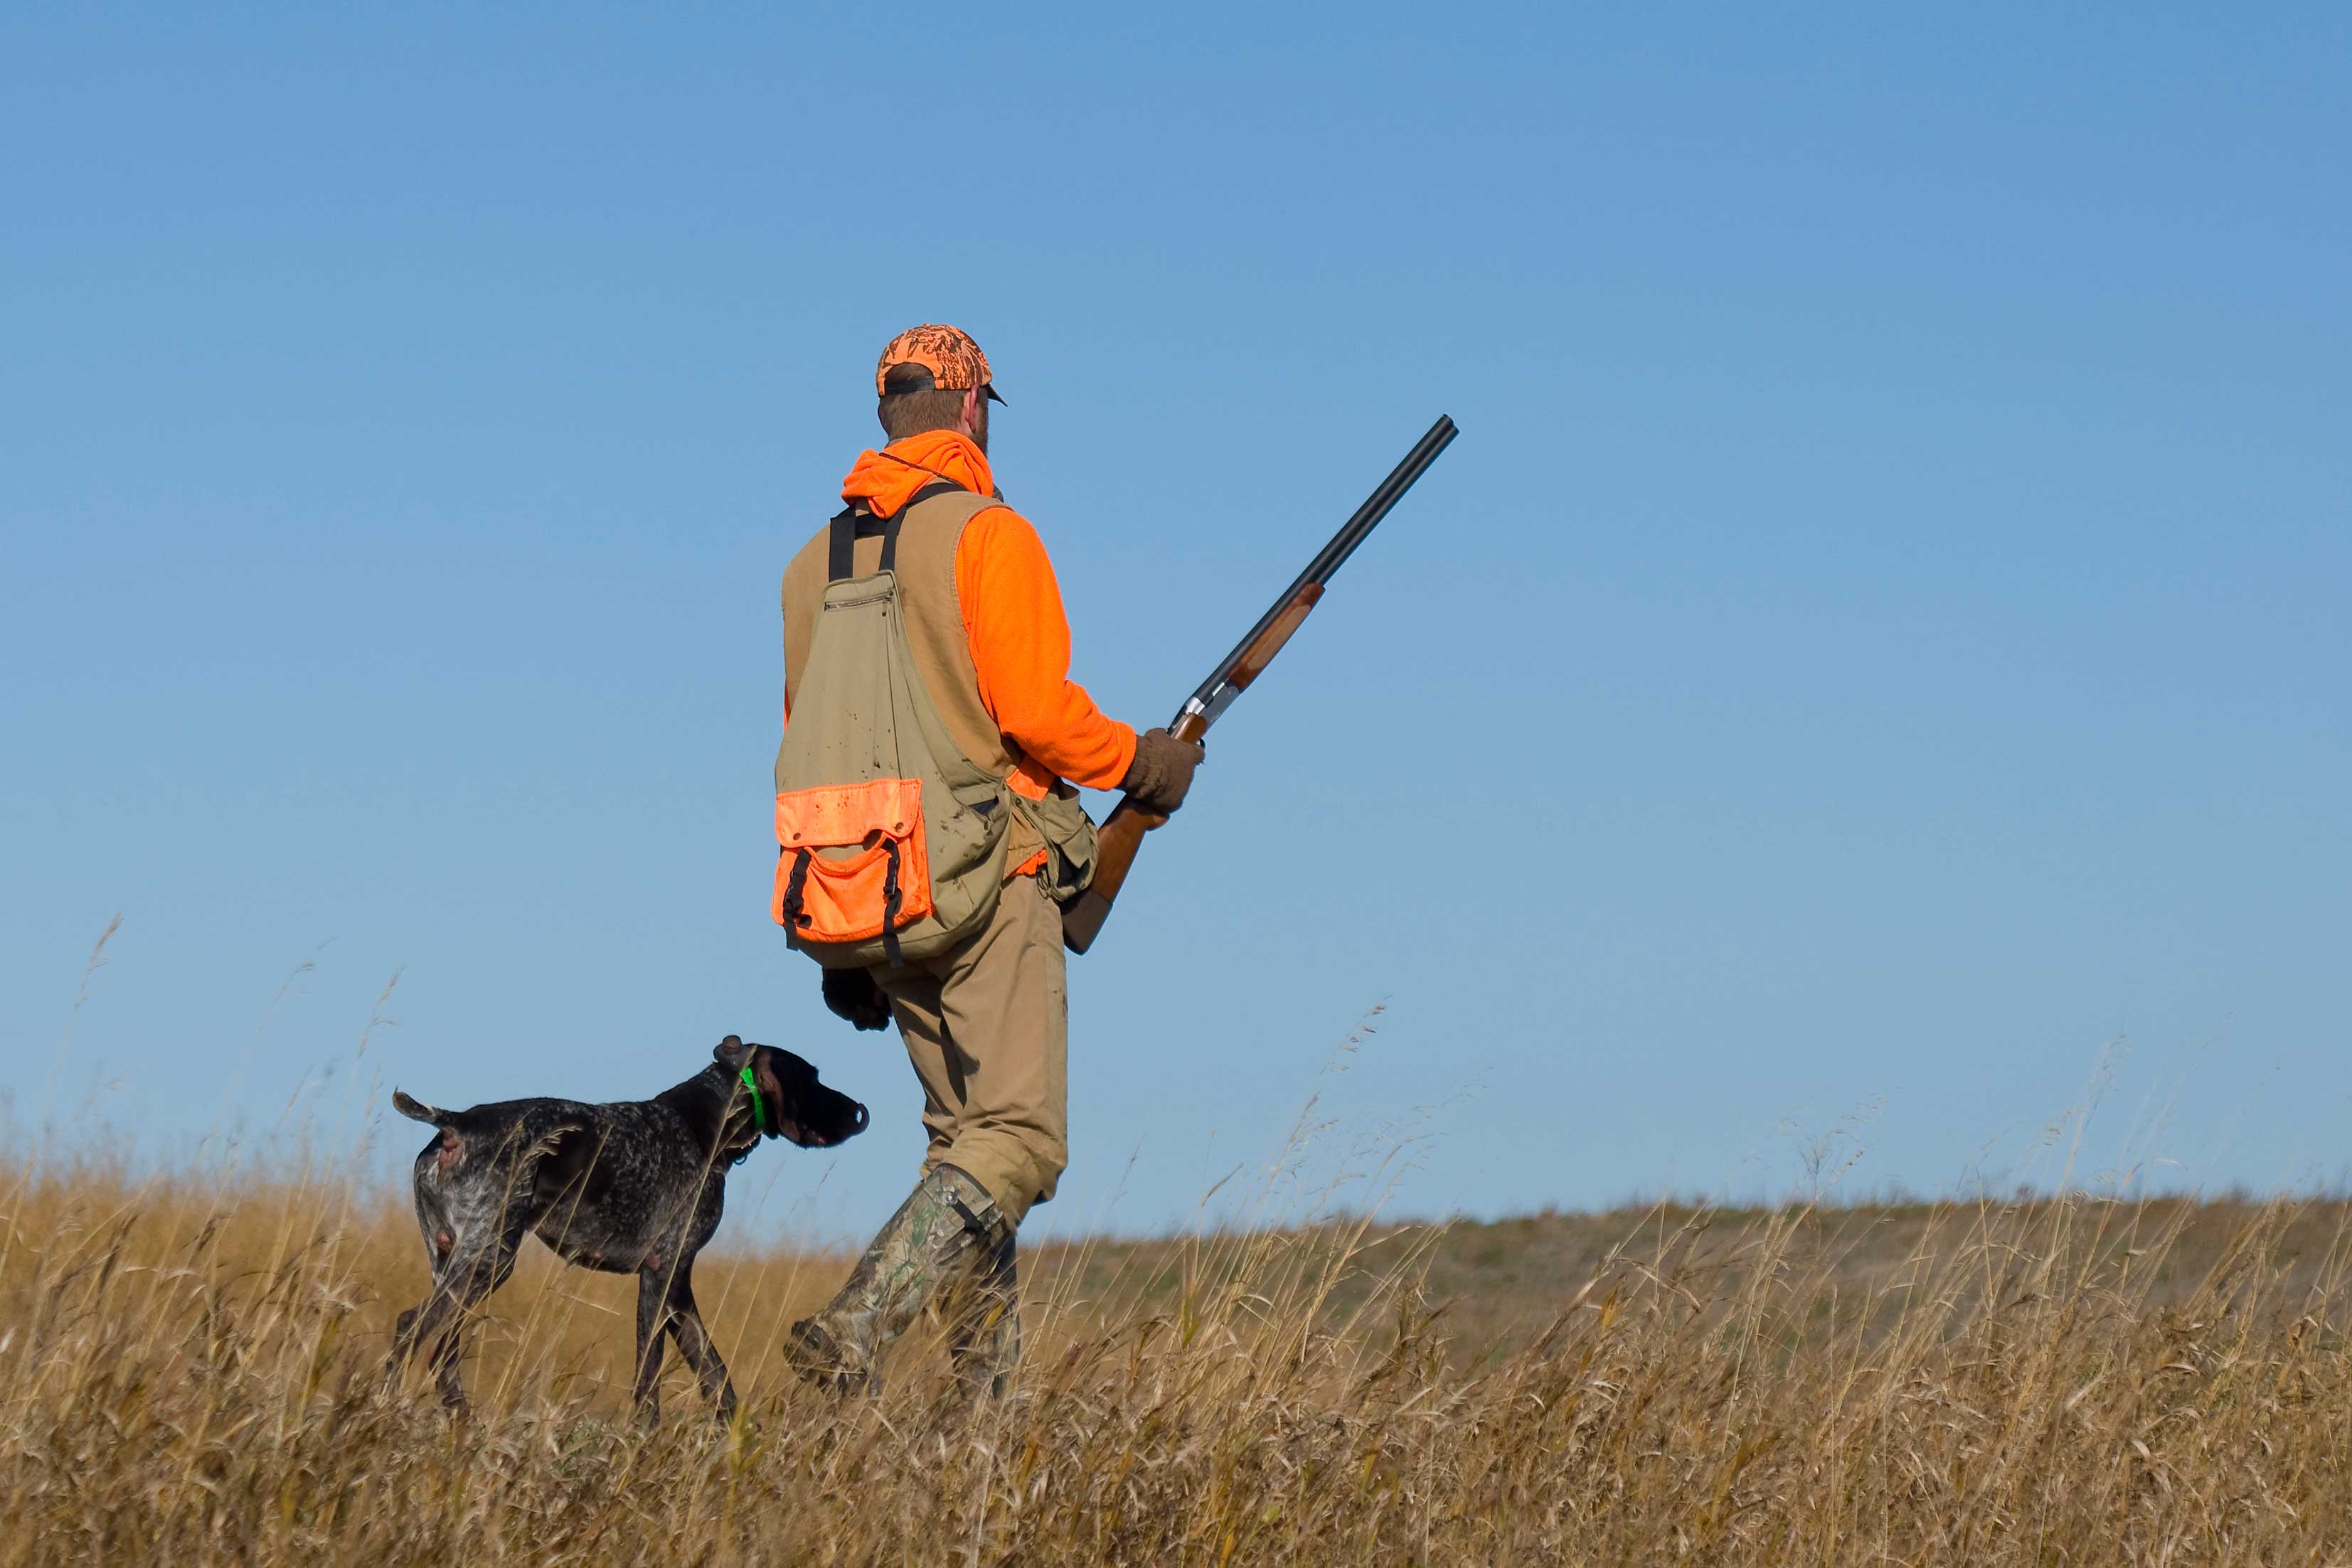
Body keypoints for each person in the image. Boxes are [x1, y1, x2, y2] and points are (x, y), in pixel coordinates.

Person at [773, 324, 1201, 1394]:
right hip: (990, 881)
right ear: (971, 412)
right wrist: (1141, 766)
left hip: (870, 901)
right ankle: (862, 1323)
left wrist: (845, 953)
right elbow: (1041, 718)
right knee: (1018, 1140)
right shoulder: (988, 534)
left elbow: (805, 737)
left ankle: (981, 1419)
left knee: (965, 1144)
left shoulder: (807, 568)